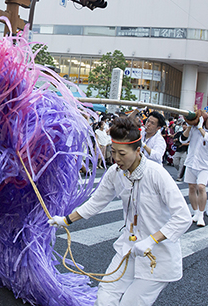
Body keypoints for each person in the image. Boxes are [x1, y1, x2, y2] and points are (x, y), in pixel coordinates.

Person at [49, 116, 191, 306]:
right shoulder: (115, 172)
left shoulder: (156, 173)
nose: (116, 159)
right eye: (114, 152)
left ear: (138, 150)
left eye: (122, 154)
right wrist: (65, 220)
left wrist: (151, 240)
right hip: (129, 248)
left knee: (131, 302)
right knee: (106, 293)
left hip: (158, 256)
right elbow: (96, 203)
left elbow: (183, 218)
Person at [181, 112, 208, 226]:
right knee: (191, 187)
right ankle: (195, 212)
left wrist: (200, 129)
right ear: (206, 119)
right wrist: (190, 126)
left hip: (204, 166)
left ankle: (201, 214)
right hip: (191, 162)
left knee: (201, 187)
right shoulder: (195, 128)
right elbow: (183, 140)